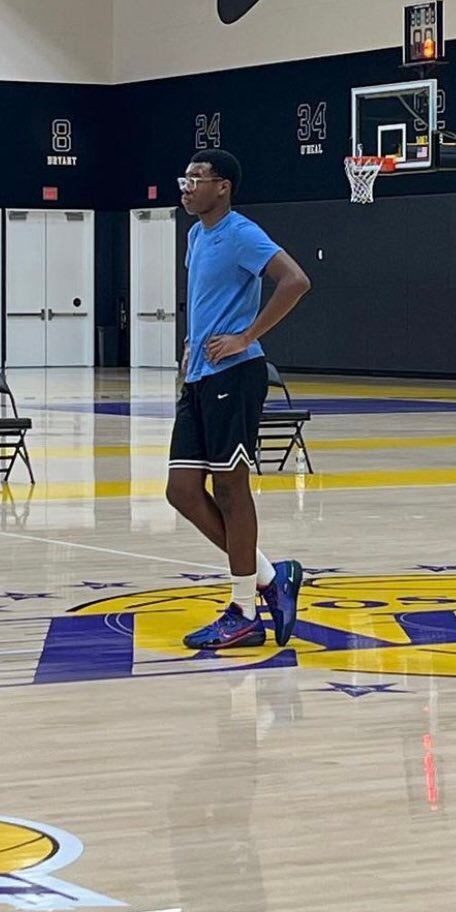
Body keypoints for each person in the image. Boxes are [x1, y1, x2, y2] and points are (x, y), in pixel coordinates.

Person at [166, 149, 311, 651]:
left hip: (236, 373)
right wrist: (192, 343)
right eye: (184, 178)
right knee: (181, 490)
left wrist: (246, 336)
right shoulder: (195, 235)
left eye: (196, 178)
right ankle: (272, 575)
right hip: (201, 374)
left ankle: (244, 610)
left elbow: (296, 280)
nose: (186, 186)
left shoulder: (243, 233)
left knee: (231, 490)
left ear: (222, 186)